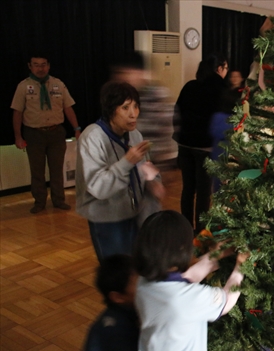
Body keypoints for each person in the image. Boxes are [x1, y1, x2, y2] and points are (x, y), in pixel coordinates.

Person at [130, 210, 247, 351]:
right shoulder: (187, 299)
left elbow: (186, 279)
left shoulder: (143, 282)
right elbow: (226, 301)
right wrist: (241, 266)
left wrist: (214, 257)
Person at [76, 81, 165, 261]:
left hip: (135, 213)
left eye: (135, 106)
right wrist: (126, 162)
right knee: (117, 275)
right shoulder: (92, 137)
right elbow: (97, 186)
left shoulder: (135, 135)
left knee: (136, 268)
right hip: (107, 220)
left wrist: (153, 181)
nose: (133, 114)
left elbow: (145, 167)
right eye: (125, 108)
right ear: (110, 110)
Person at [11, 54, 81, 214]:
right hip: (34, 134)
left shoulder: (58, 84)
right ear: (30, 66)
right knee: (37, 171)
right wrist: (18, 136)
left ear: (48, 66)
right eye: (36, 65)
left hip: (56, 133)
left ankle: (59, 200)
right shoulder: (23, 87)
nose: (40, 68)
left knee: (57, 170)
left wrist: (77, 129)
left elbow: (68, 107)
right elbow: (17, 113)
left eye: (43, 64)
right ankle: (39, 202)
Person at [71, 254, 139, 351]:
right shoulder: (116, 332)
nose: (145, 285)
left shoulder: (124, 314)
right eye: (137, 283)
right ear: (117, 297)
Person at [174, 54, 229, 232]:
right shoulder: (220, 88)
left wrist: (178, 137)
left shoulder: (189, 86)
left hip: (184, 145)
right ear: (219, 69)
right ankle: (201, 232)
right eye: (226, 68)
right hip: (206, 147)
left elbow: (177, 112)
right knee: (204, 192)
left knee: (188, 189)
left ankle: (185, 228)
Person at [110, 52, 178, 165]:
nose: (122, 79)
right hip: (132, 165)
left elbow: (165, 136)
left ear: (140, 72)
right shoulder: (122, 98)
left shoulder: (157, 96)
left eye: (126, 73)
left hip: (154, 165)